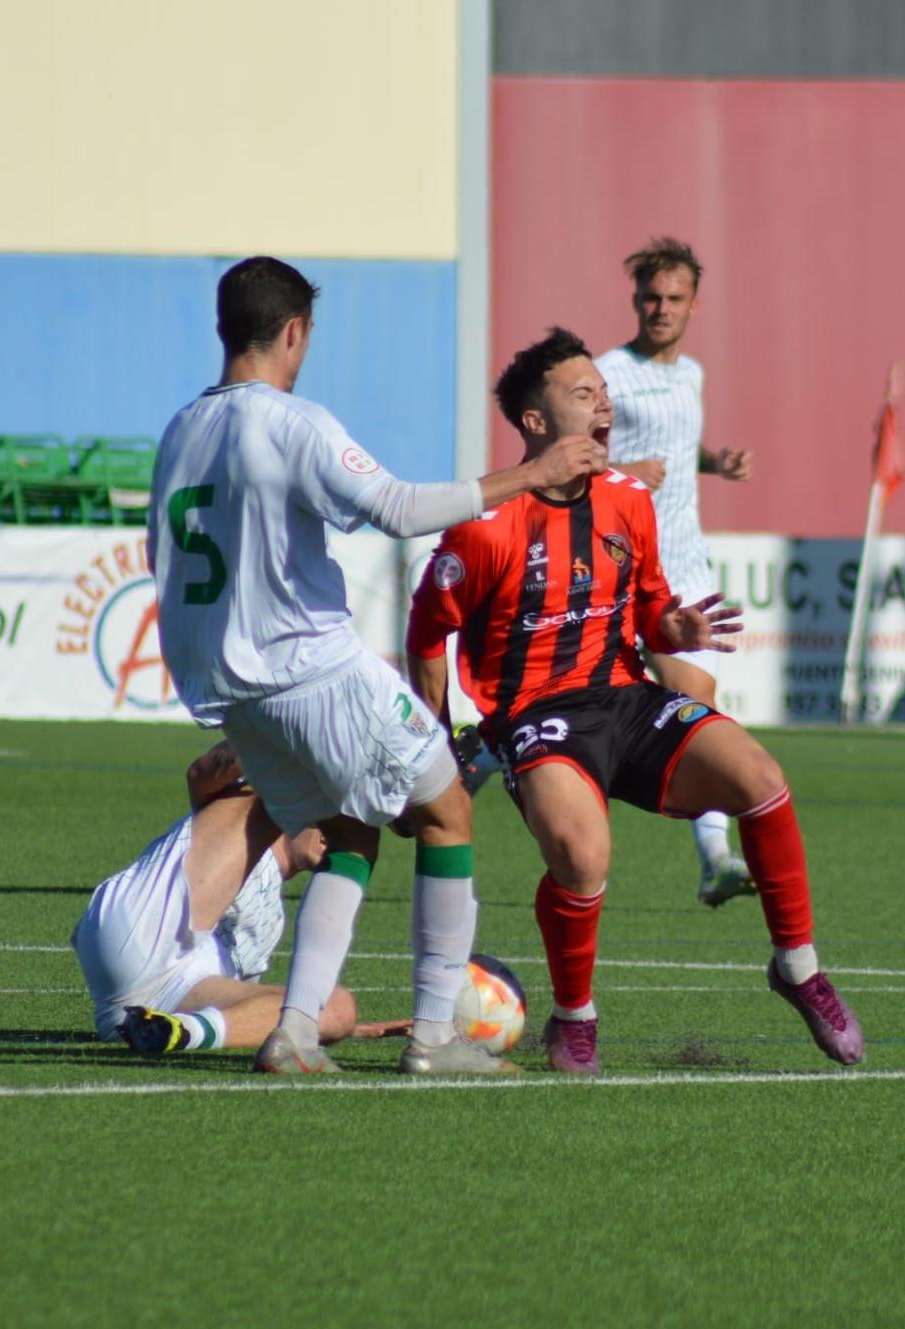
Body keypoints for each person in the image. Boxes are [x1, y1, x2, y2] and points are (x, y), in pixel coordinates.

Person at [149, 257, 601, 1075]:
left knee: (352, 832)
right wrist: (532, 474)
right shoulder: (289, 422)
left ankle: (292, 1033)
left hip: (235, 694)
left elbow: (163, 562)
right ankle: (434, 1037)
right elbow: (395, 507)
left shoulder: (181, 429)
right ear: (295, 332)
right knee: (448, 811)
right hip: (312, 670)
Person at [406, 328, 864, 1075]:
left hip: (626, 699)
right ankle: (575, 1017)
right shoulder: (484, 526)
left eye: (605, 393)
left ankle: (799, 967)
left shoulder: (627, 500)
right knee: (584, 858)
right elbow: (427, 632)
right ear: (534, 421)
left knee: (762, 780)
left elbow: (649, 607)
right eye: (583, 393)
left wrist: (671, 625)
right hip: (535, 716)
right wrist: (436, 736)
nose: (604, 405)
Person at [593, 238, 758, 908]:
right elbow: (567, 456)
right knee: (671, 713)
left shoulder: (691, 374)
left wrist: (716, 462)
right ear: (635, 301)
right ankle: (474, 760)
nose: (661, 308)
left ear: (694, 304)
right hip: (619, 563)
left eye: (674, 298)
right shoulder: (606, 372)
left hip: (685, 562)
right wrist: (623, 474)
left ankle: (717, 857)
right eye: (651, 298)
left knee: (699, 712)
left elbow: (678, 449)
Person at [72, 740, 412, 1054]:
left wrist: (344, 1027)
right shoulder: (240, 824)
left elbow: (249, 1007)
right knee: (278, 786)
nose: (332, 833)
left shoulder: (272, 924)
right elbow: (201, 774)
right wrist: (272, 738)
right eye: (326, 821)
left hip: (154, 1003)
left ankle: (178, 1033)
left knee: (337, 1006)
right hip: (141, 929)